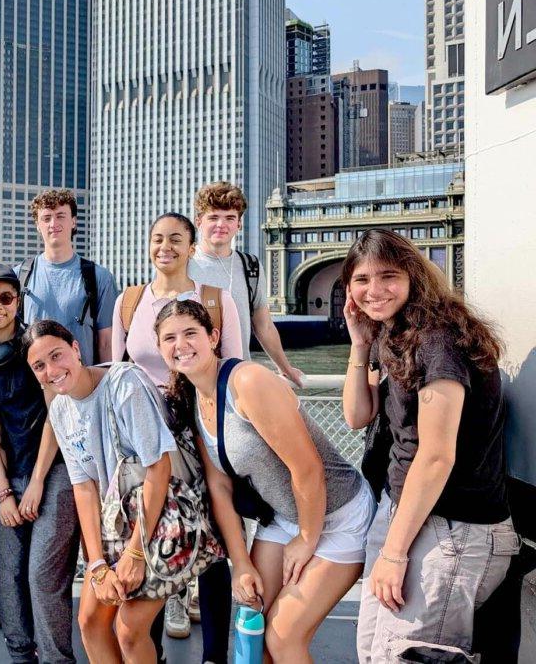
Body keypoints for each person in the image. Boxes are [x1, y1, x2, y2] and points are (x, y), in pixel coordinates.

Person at [155, 298, 374, 662]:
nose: (181, 345)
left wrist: (306, 539)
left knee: (282, 637)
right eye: (170, 338)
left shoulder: (248, 382)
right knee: (251, 623)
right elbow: (220, 488)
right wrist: (240, 563)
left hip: (337, 515)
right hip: (283, 519)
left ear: (213, 337)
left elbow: (308, 469)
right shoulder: (194, 399)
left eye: (190, 333)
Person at [342, 229, 518, 662]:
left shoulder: (437, 340)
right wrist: (361, 345)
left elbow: (437, 454)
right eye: (361, 279)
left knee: (404, 656)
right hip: (411, 513)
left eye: (388, 276)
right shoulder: (396, 335)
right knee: (375, 652)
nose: (374, 290)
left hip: (450, 526)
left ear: (413, 277)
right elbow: (357, 416)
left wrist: (394, 553)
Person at [111, 212, 240, 654]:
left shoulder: (216, 299)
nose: (165, 247)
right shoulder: (129, 301)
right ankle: (154, 649)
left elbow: (234, 377)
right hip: (145, 445)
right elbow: (117, 376)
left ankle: (215, 655)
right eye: (157, 239)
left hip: (201, 436)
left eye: (176, 240)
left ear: (191, 247)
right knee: (148, 536)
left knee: (213, 538)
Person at [23, 319, 176, 664]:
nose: (52, 370)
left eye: (57, 355)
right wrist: (96, 565)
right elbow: (84, 487)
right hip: (119, 522)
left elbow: (159, 467)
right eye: (39, 366)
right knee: (90, 621)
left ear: (76, 349)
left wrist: (136, 555)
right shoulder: (60, 409)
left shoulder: (124, 385)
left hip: (162, 518)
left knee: (129, 630)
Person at [0, 262, 79, 664]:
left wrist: (36, 482)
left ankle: (56, 658)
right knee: (9, 570)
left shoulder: (36, 345)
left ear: (18, 301)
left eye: (6, 297)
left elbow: (56, 412)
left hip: (54, 469)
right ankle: (20, 653)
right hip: (11, 472)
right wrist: (3, 489)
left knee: (43, 573)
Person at [188, 181, 303, 384]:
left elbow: (264, 325)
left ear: (239, 224)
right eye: (213, 217)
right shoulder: (183, 264)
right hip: (190, 379)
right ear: (199, 221)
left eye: (230, 218)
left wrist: (285, 368)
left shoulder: (251, 266)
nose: (221, 225)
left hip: (237, 378)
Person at [17, 189, 118, 365]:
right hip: (32, 388)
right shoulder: (19, 275)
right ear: (37, 225)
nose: (53, 223)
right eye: (46, 218)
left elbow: (106, 342)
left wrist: (105, 387)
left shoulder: (99, 278)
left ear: (73, 221)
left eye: (60, 216)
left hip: (83, 386)